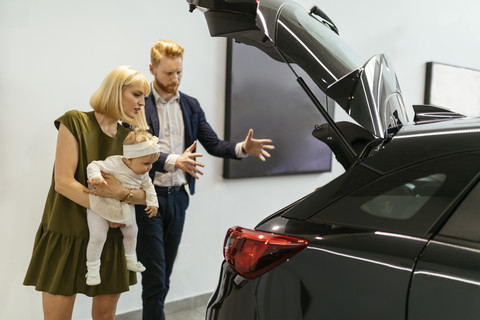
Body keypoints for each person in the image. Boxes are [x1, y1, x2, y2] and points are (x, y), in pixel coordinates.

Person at [135, 39, 275, 320]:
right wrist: (174, 160)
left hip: (179, 199)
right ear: (152, 69)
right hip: (148, 199)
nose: (175, 79)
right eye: (168, 74)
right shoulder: (140, 104)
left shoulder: (190, 105)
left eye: (179, 73)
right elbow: (139, 150)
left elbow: (213, 144)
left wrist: (242, 149)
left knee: (165, 276)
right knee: (155, 278)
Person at [24, 65, 151, 320]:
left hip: (110, 240)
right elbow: (63, 182)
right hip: (66, 232)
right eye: (136, 94)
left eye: (144, 98)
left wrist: (122, 194)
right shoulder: (75, 122)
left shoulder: (130, 139)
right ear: (116, 91)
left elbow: (145, 194)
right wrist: (111, 207)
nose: (141, 104)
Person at [85, 128, 161, 286]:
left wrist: (153, 204)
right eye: (146, 163)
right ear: (130, 159)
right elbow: (93, 165)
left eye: (152, 163)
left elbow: (150, 189)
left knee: (133, 231)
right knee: (98, 236)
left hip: (124, 206)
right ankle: (92, 270)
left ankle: (131, 259)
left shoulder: (143, 174)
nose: (150, 168)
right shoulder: (114, 163)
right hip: (100, 206)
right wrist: (96, 177)